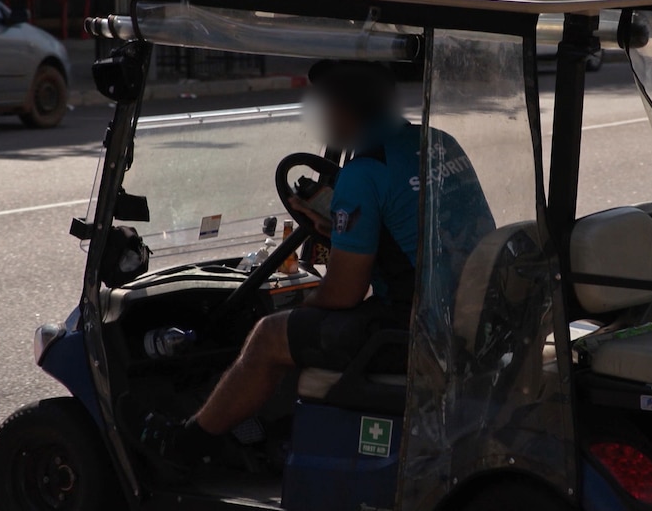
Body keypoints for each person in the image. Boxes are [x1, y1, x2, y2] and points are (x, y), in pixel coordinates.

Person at [139, 59, 493, 464]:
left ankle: (184, 447)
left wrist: (301, 309)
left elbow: (344, 293)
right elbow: (417, 227)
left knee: (270, 334)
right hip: (461, 310)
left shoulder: (365, 172)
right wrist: (335, 233)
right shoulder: (437, 142)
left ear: (343, 109)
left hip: (414, 329)